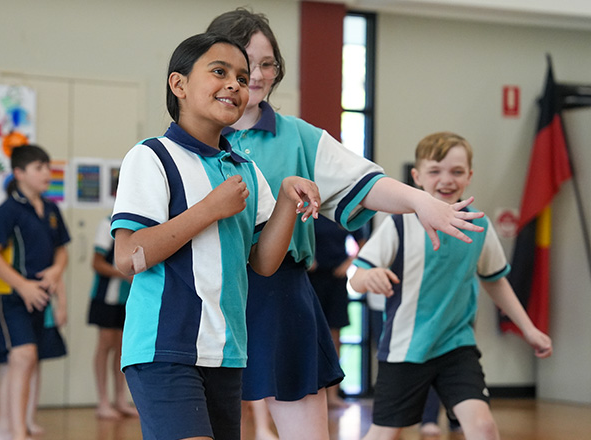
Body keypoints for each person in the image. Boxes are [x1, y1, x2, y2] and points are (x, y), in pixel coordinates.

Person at [206, 9, 484, 440]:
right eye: (243, 65)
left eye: (266, 64)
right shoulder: (186, 142)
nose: (255, 76)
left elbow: (365, 181)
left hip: (279, 297)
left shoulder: (298, 137)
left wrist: (418, 201)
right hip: (208, 296)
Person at [112, 32, 323, 440]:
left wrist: (284, 198)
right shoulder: (151, 156)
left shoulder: (243, 169)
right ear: (179, 85)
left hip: (226, 353)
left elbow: (263, 263)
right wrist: (209, 209)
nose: (235, 85)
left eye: (243, 79)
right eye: (220, 72)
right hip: (163, 350)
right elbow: (128, 257)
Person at [348, 131, 553, 440]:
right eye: (435, 171)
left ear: (469, 175)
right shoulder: (400, 223)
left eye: (456, 171)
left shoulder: (479, 225)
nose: (446, 179)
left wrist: (529, 329)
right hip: (406, 348)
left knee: (483, 426)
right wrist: (368, 277)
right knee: (384, 433)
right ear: (417, 177)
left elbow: (495, 280)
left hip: (457, 345)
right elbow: (357, 276)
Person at [0, 144, 70, 440]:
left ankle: (12, 427)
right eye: (39, 168)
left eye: (48, 166)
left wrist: (56, 272)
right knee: (22, 355)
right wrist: (22, 285)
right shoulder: (7, 210)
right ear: (19, 173)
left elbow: (61, 251)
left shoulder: (52, 208)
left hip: (42, 297)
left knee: (29, 359)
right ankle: (17, 432)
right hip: (11, 296)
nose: (47, 173)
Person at [307, 217, 366, 409]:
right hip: (310, 279)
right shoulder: (306, 212)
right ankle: (309, 393)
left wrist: (349, 263)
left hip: (336, 279)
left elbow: (363, 243)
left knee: (334, 336)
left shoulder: (341, 214)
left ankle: (332, 393)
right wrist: (306, 258)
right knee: (308, 336)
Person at [87, 214, 138, 419]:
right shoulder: (107, 223)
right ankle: (103, 401)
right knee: (105, 344)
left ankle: (120, 399)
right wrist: (124, 274)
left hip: (127, 299)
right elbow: (97, 263)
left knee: (121, 348)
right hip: (105, 297)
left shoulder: (139, 225)